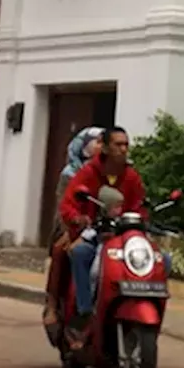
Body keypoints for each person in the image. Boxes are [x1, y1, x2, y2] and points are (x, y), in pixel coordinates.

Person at [57, 126, 147, 348]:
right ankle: (84, 310)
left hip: (124, 238)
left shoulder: (132, 177)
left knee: (160, 259)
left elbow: (140, 205)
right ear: (105, 148)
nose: (124, 149)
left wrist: (142, 220)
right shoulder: (87, 173)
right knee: (80, 254)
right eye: (118, 144)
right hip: (93, 236)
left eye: (126, 145)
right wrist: (79, 219)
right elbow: (68, 204)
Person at [43, 126, 103, 342]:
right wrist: (75, 226)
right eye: (96, 141)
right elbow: (64, 206)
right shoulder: (70, 174)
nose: (100, 146)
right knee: (61, 251)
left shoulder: (110, 173)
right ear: (84, 146)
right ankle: (52, 305)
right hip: (72, 226)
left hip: (102, 228)